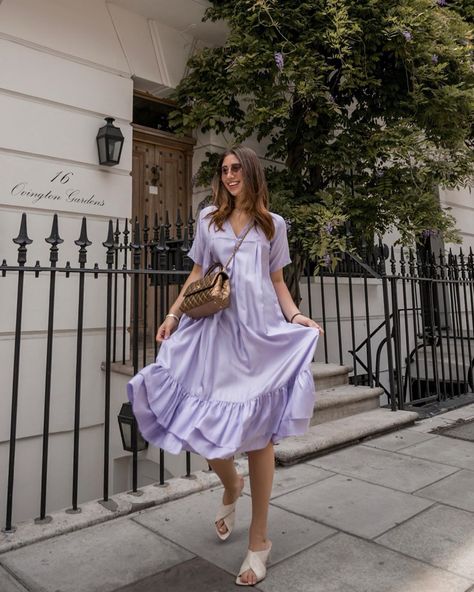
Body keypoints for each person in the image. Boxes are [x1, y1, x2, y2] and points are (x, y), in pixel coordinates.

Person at [127, 145, 322, 586]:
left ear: (251, 173)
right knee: (209, 434)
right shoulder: (209, 219)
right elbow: (197, 276)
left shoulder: (274, 226)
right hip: (216, 335)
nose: (230, 175)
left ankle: (258, 540)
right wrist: (174, 314)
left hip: (260, 336)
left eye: (237, 169)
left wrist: (295, 317)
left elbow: (278, 283)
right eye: (225, 170)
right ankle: (231, 485)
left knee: (260, 439)